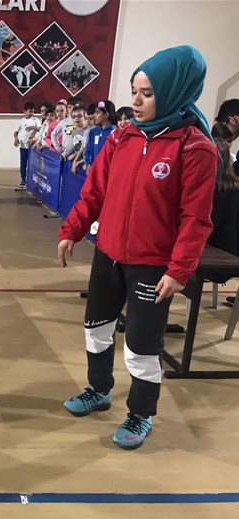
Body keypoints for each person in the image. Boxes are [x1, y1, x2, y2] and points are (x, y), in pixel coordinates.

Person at [57, 46, 218, 450]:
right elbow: (94, 191)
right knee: (96, 331)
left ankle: (141, 413)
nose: (136, 102)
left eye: (147, 93)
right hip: (108, 255)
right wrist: (72, 229)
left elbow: (195, 219)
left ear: (174, 91)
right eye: (134, 91)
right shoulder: (122, 137)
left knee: (141, 348)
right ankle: (99, 389)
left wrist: (178, 270)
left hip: (152, 266)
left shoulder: (194, 148)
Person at [82, 100, 117, 172]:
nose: (94, 115)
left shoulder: (114, 132)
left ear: (106, 115)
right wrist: (88, 163)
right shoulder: (93, 131)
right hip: (93, 169)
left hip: (107, 170)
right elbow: (88, 150)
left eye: (97, 112)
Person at [14, 102, 40, 188]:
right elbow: (16, 132)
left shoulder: (35, 120)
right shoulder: (21, 121)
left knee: (32, 164)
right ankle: (23, 180)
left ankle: (32, 180)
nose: (31, 113)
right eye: (30, 111)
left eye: (33, 112)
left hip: (32, 147)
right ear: (24, 111)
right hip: (23, 146)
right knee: (23, 164)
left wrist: (33, 127)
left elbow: (40, 129)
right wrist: (16, 139)